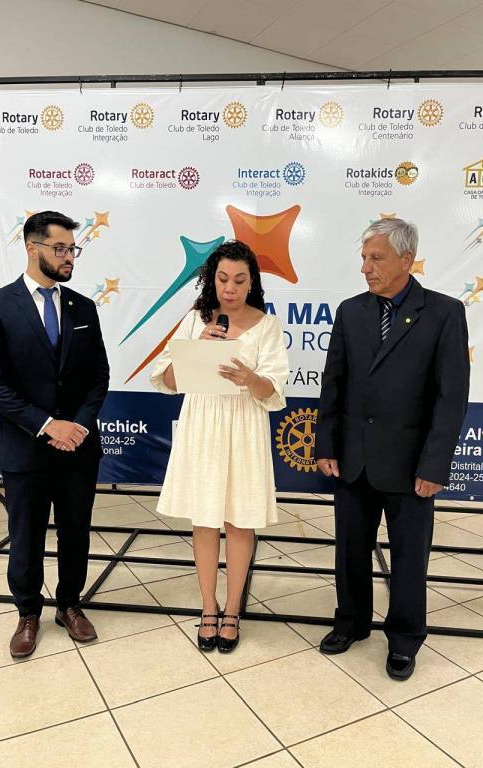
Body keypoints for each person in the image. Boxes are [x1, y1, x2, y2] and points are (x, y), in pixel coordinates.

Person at [315, 218, 469, 681]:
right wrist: (326, 444)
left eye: (376, 258)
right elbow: (334, 383)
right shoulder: (351, 311)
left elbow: (451, 397)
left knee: (408, 559)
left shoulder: (444, 312)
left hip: (411, 464)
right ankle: (351, 623)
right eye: (364, 258)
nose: (366, 267)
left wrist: (435, 465)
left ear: (406, 259)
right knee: (350, 551)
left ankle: (403, 639)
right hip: (354, 459)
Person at [0, 211, 109, 658]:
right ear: (33, 248)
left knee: (76, 531)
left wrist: (79, 426)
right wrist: (48, 426)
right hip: (25, 448)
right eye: (61, 248)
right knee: (26, 536)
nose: (70, 257)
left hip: (78, 448)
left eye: (73, 249)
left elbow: (99, 376)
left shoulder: (83, 307)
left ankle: (69, 605)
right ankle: (28, 613)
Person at [151, 240, 288, 653]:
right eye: (223, 279)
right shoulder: (195, 319)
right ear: (212, 280)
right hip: (203, 424)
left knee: (240, 521)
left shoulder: (267, 326)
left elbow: (272, 392)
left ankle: (232, 611)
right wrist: (200, 348)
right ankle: (208, 607)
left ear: (252, 282)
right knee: (205, 519)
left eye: (239, 280)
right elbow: (167, 381)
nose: (230, 288)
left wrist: (250, 378)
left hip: (244, 425)